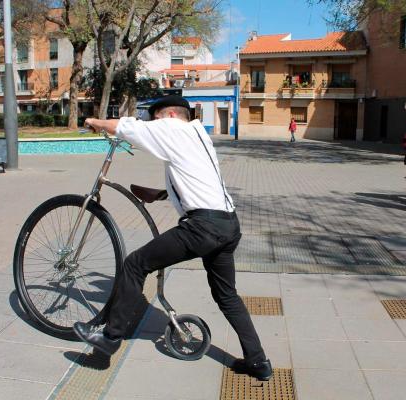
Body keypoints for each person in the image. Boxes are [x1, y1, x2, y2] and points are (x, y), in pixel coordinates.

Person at [75, 95, 273, 381]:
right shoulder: (198, 134)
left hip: (203, 227)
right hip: (228, 224)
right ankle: (258, 362)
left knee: (135, 264)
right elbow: (196, 177)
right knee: (227, 295)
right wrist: (163, 194)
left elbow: (128, 127)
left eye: (155, 118)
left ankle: (109, 338)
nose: (154, 124)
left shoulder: (172, 128)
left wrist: (95, 122)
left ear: (168, 115)